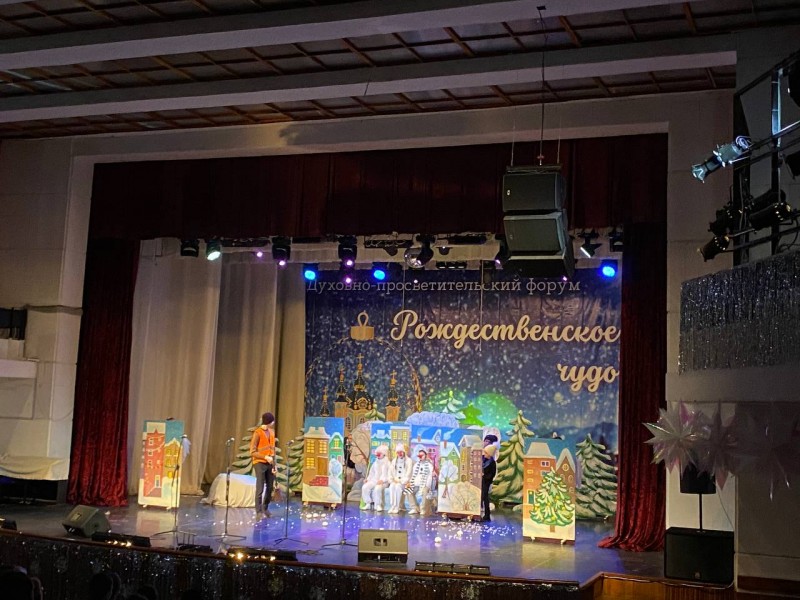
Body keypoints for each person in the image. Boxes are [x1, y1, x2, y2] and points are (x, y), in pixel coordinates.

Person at [250, 411, 277, 518]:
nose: (273, 423)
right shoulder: (258, 433)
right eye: (272, 421)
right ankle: (258, 511)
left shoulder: (272, 432)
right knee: (260, 487)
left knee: (270, 487)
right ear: (268, 422)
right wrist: (265, 457)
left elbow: (273, 449)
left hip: (270, 462)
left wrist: (274, 465)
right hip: (259, 462)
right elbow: (252, 452)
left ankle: (265, 508)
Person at [405, 447, 434, 515]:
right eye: (419, 455)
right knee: (408, 489)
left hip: (425, 484)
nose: (420, 457)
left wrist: (427, 485)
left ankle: (423, 509)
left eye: (422, 455)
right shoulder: (416, 465)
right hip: (416, 484)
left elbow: (430, 477)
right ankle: (414, 508)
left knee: (425, 491)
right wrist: (410, 483)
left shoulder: (429, 465)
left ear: (425, 455)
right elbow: (413, 475)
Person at [360, 444, 390, 511]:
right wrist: (368, 479)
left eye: (379, 454)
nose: (378, 456)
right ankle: (368, 503)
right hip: (374, 480)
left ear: (383, 454)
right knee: (365, 487)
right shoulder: (375, 463)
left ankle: (378, 505)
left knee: (377, 488)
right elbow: (371, 473)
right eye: (377, 454)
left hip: (384, 482)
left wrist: (383, 480)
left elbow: (390, 475)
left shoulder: (388, 463)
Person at [387, 443, 413, 514]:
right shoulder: (394, 461)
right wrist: (391, 480)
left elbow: (409, 473)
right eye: (398, 452)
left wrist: (402, 481)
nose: (400, 454)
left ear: (404, 452)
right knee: (392, 486)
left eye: (401, 452)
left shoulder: (409, 461)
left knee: (398, 487)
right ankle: (392, 505)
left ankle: (397, 506)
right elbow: (390, 472)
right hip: (395, 481)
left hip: (404, 482)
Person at [481, 434, 499, 522]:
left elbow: (491, 474)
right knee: (482, 496)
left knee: (485, 497)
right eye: (485, 441)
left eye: (488, 441)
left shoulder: (491, 462)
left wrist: (484, 476)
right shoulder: (484, 459)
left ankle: (487, 514)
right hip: (482, 481)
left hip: (486, 482)